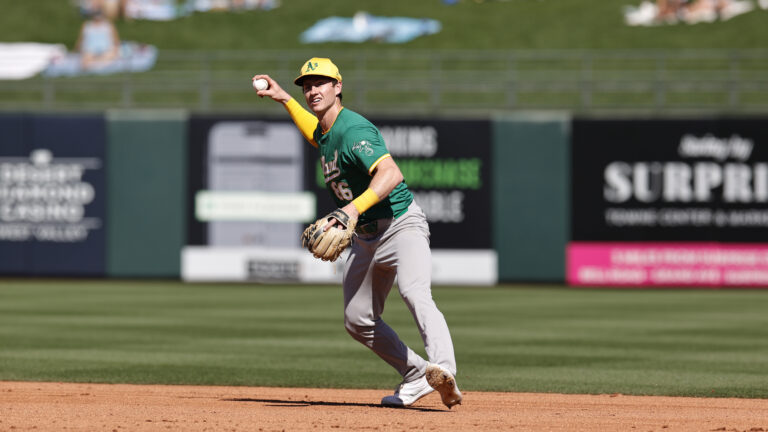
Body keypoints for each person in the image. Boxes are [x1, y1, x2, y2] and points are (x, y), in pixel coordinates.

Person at [251, 58, 463, 409]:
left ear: (338, 87)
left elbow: (391, 173)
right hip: (364, 238)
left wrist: (350, 209)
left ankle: (445, 370)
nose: (312, 90)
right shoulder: (326, 129)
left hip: (400, 224)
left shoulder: (353, 130)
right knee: (357, 320)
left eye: (320, 83)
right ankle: (416, 375)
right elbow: (315, 132)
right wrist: (285, 99)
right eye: (307, 85)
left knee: (414, 292)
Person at [75, 4, 121, 70]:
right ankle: (98, 65)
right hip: (90, 51)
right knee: (85, 59)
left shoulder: (108, 25)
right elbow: (81, 39)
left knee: (110, 56)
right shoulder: (87, 25)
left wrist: (116, 49)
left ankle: (96, 65)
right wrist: (78, 50)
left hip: (106, 50)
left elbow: (116, 40)